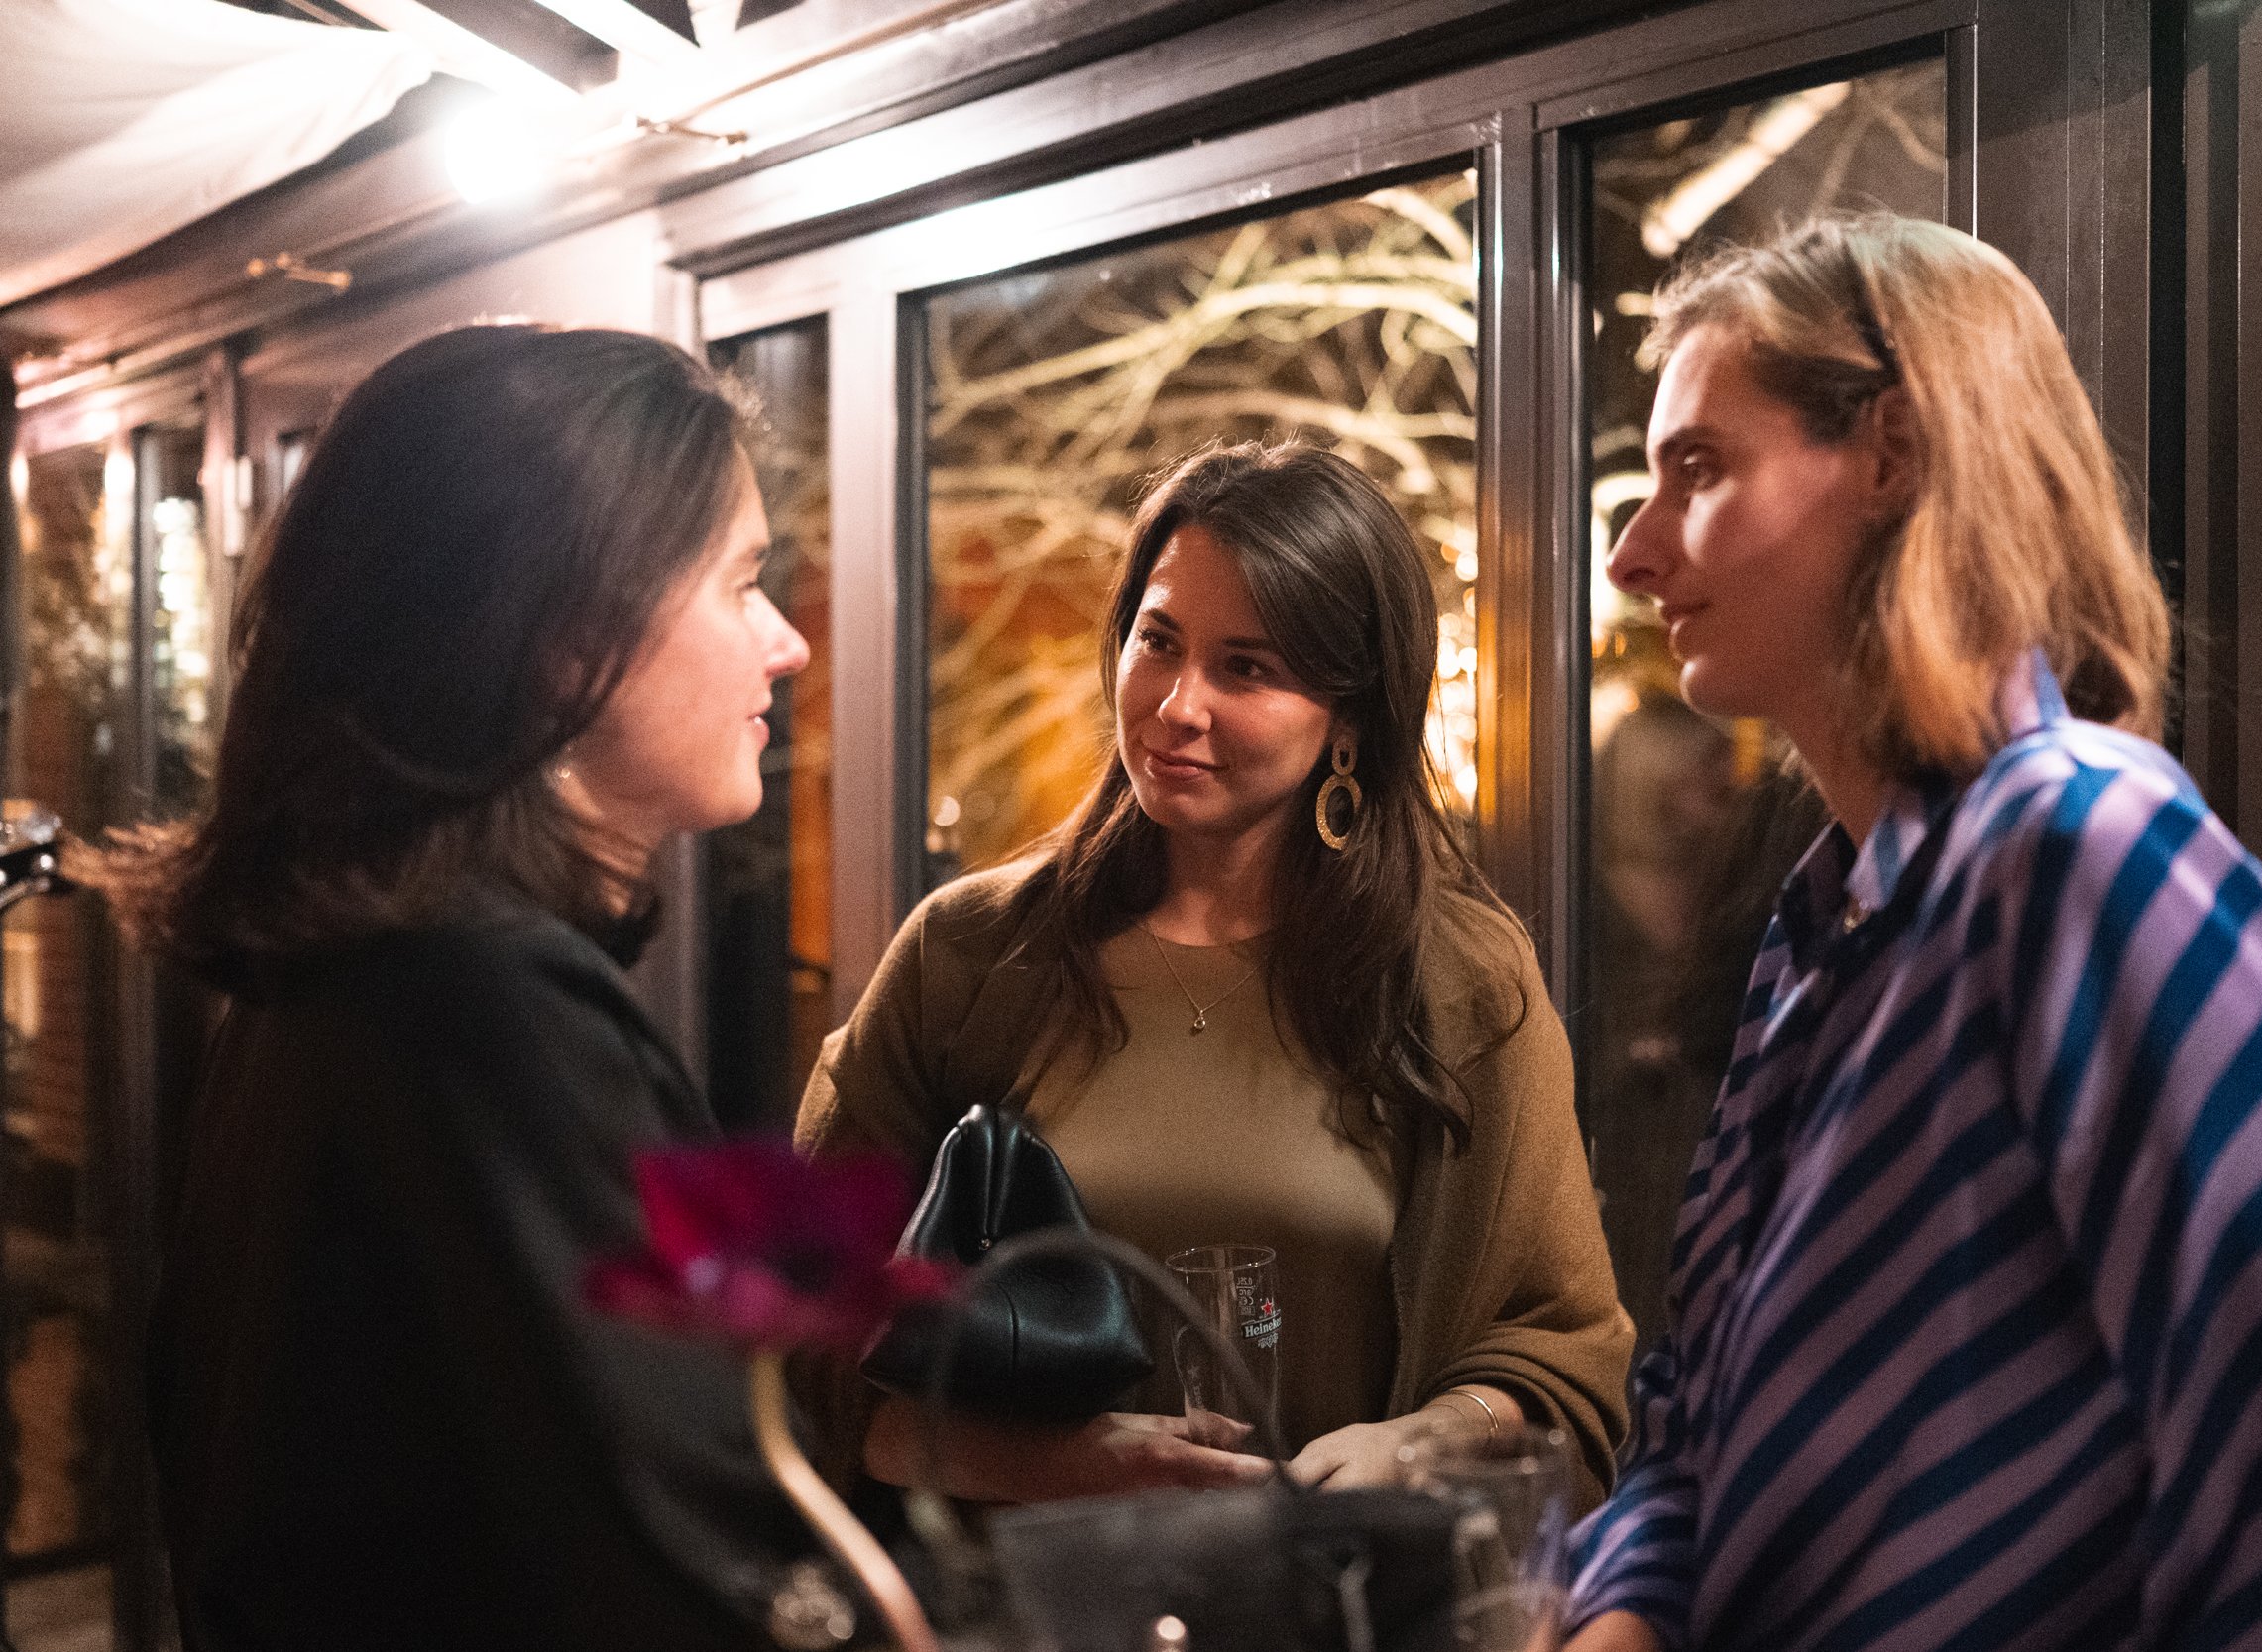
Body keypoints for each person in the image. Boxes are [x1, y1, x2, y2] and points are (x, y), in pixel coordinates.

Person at [1562, 213, 2262, 1652]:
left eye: (1698, 469)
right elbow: (1694, 1431)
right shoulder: (1822, 928)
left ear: (1894, 456)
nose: (1632, 554)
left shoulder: (2091, 849)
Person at [103, 324, 821, 1651]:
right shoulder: (476, 1002)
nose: (784, 643)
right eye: (741, 584)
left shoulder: (333, 973)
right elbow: (688, 1573)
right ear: (567, 635)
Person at [797, 441, 1633, 1505]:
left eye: (1247, 666)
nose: (1176, 704)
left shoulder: (1459, 983)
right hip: (1025, 1617)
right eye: (1158, 641)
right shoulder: (968, 955)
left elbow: (1562, 1347)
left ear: (1352, 714)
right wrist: (1047, 1464)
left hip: (1335, 1613)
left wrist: (1416, 1442)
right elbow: (796, 1320)